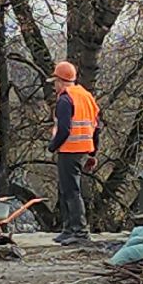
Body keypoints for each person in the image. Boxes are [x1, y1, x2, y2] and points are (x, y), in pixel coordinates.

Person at [48, 61, 100, 244]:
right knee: (68, 189)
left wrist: (52, 146)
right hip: (83, 149)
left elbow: (64, 129)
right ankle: (69, 229)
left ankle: (78, 231)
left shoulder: (65, 99)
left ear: (60, 81)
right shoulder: (86, 96)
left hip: (69, 149)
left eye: (55, 82)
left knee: (70, 191)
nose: (54, 86)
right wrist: (93, 153)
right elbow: (96, 126)